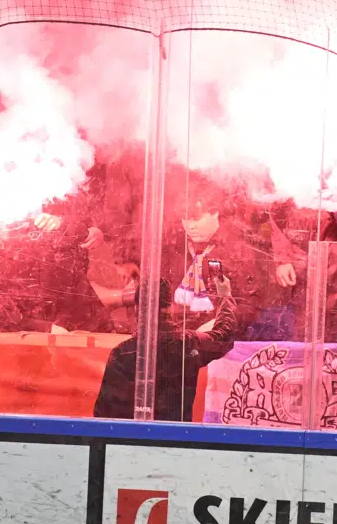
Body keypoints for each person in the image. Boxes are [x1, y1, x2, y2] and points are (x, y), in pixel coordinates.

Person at [95, 175, 271, 420]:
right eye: (185, 219)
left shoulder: (238, 250)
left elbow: (251, 305)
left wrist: (218, 322)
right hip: (175, 343)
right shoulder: (172, 247)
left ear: (216, 213)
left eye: (197, 218)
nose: (190, 225)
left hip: (210, 349)